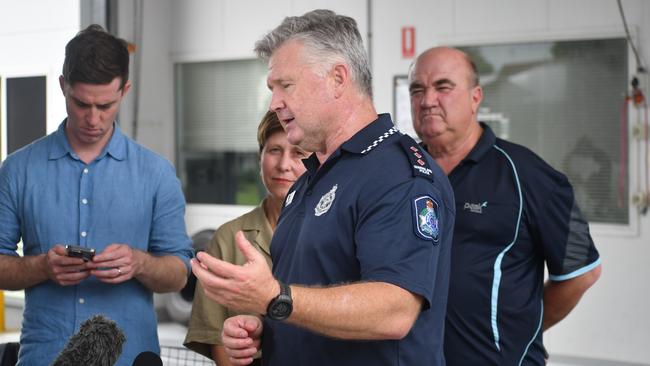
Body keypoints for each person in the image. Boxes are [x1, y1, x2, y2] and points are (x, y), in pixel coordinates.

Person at [190, 9, 455, 366]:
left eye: (286, 85)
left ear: (338, 78)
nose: (274, 104)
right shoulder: (310, 179)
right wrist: (264, 325)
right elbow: (303, 297)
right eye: (272, 89)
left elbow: (394, 311)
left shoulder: (397, 174)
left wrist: (275, 299)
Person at [0, 25, 193, 366]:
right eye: (81, 103)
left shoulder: (157, 173)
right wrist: (43, 266)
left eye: (106, 105)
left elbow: (179, 273)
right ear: (63, 86)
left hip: (130, 356)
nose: (93, 118)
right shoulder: (17, 170)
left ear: (125, 90)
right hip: (45, 356)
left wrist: (140, 262)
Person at [408, 46, 602, 365]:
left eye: (443, 87)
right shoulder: (401, 173)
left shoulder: (531, 176)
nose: (428, 100)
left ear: (475, 97)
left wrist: (524, 329)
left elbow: (583, 271)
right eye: (418, 90)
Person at [183, 111, 308, 365]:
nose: (284, 164)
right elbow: (218, 341)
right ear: (260, 157)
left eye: (298, 153)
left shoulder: (333, 233)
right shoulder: (228, 239)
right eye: (274, 150)